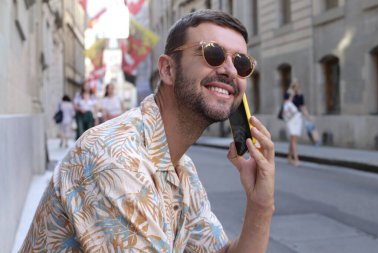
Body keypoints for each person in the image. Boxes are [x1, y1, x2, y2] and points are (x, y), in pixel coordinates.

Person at [21, 10, 275, 253]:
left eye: (241, 63)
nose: (230, 70)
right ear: (167, 70)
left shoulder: (181, 168)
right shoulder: (115, 159)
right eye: (213, 53)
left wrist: (260, 204)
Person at [282, 91, 302, 166]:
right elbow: (290, 113)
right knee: (294, 141)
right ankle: (296, 159)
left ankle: (289, 157)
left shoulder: (286, 104)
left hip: (294, 123)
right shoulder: (289, 104)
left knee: (292, 141)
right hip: (293, 123)